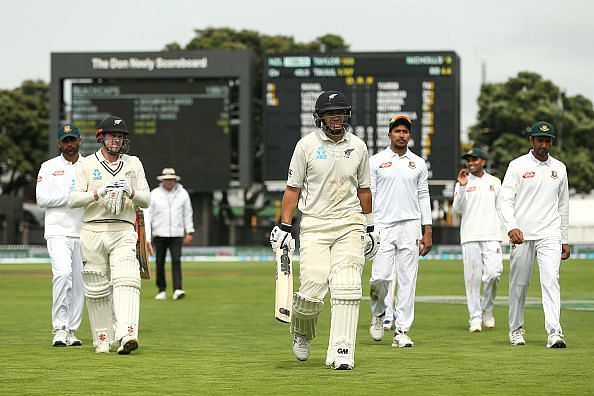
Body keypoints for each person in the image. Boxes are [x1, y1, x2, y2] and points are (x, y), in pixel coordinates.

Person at [270, 91, 377, 370]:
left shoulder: (358, 146)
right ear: (320, 117)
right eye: (330, 113)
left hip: (349, 221)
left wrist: (371, 226)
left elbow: (364, 189)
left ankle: (342, 351)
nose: (336, 117)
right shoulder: (306, 146)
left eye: (340, 112)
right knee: (313, 286)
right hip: (315, 223)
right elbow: (293, 189)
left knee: (347, 284)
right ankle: (302, 332)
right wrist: (284, 226)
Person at [68, 115, 150, 354]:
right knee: (96, 285)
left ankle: (127, 334)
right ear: (101, 138)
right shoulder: (86, 165)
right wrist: (98, 193)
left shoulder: (134, 163)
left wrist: (131, 191)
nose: (117, 141)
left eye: (120, 137)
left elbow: (146, 198)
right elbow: (72, 199)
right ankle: (102, 338)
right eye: (112, 136)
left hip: (123, 228)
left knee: (127, 278)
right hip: (92, 228)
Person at [498, 121, 569, 348]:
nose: (544, 145)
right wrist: (511, 226)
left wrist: (564, 239)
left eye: (547, 141)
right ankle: (516, 330)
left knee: (551, 281)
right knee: (519, 284)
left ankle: (554, 332)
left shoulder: (559, 168)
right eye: (540, 140)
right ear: (531, 141)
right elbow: (504, 200)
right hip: (522, 234)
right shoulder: (517, 166)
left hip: (550, 233)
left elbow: (563, 206)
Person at [368, 114, 432, 347]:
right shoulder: (375, 161)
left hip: (410, 226)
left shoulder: (418, 163)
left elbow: (424, 196)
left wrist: (428, 230)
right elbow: (370, 195)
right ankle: (378, 314)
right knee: (380, 278)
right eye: (398, 131)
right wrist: (368, 226)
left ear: (410, 135)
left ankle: (402, 330)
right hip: (382, 226)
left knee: (407, 280)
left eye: (405, 132)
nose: (402, 135)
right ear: (390, 134)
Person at [36, 123, 85, 347]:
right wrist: (71, 197)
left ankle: (72, 330)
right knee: (63, 275)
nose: (70, 145)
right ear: (59, 143)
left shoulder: (89, 165)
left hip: (83, 231)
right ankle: (59, 327)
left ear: (79, 141)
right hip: (57, 231)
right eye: (65, 141)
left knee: (78, 283)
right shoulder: (48, 167)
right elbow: (42, 200)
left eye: (73, 140)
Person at [452, 148, 503, 333]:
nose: (471, 163)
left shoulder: (495, 182)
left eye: (474, 159)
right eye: (468, 160)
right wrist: (463, 186)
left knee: (494, 274)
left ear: (483, 161)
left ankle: (487, 309)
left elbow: (501, 208)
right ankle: (475, 317)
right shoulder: (462, 182)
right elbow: (456, 210)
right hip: (470, 236)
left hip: (491, 236)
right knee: (472, 280)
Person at [149, 167, 194, 301]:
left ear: (174, 180)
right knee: (159, 262)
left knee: (176, 260)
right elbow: (149, 215)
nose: (168, 182)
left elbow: (188, 213)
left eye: (170, 179)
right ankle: (161, 289)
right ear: (162, 180)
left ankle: (177, 289)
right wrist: (147, 233)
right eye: (166, 180)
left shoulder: (183, 193)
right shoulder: (154, 194)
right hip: (159, 233)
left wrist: (189, 231)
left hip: (176, 233)